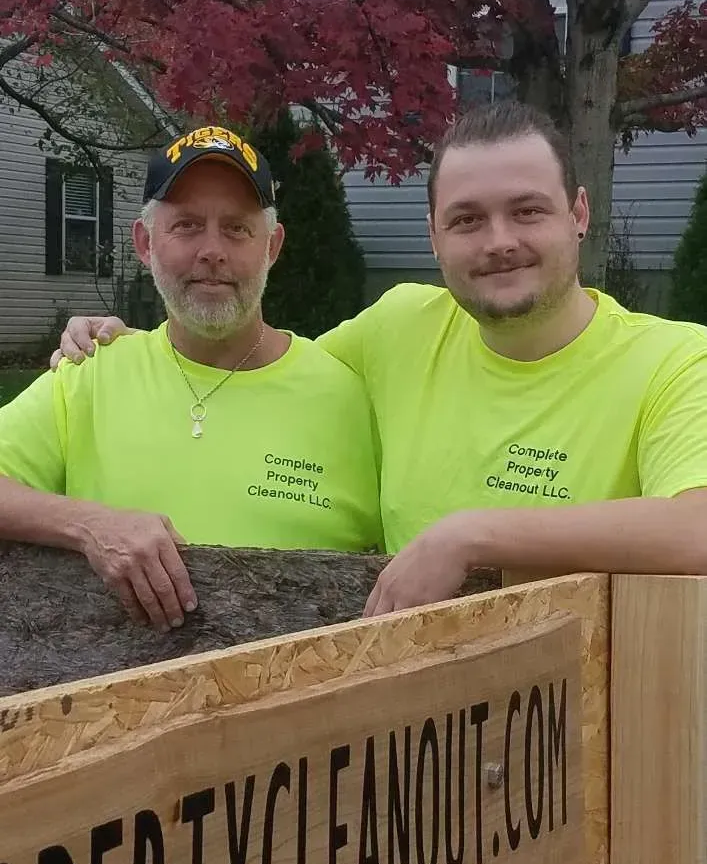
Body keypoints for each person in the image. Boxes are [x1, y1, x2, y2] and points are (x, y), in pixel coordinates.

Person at [50, 102, 707, 618]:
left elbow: (695, 528)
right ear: (432, 235)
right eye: (467, 219)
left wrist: (472, 536)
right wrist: (132, 342)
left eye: (527, 211)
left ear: (578, 214)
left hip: (589, 738)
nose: (499, 241)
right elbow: (252, 363)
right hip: (404, 738)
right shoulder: (399, 329)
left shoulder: (673, 360)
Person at [0, 125, 382, 632]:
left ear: (272, 246)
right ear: (144, 243)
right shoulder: (90, 373)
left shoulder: (349, 395)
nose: (212, 251)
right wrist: (91, 525)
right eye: (186, 226)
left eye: (237, 228)